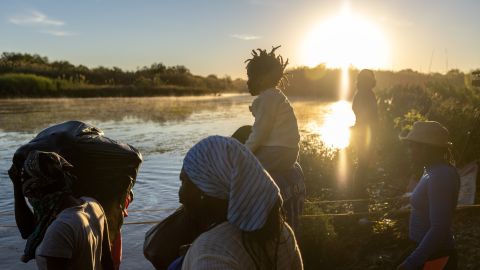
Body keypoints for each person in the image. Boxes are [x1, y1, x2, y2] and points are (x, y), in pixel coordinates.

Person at [178, 136, 303, 270]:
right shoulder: (282, 231)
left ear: (206, 190)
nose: (180, 196)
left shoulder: (209, 254)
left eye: (184, 182)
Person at [8, 150, 113, 270]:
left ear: (38, 191)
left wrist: (18, 188)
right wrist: (17, 187)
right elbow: (108, 262)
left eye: (30, 195)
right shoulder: (92, 205)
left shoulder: (60, 229)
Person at [396, 121, 460, 270]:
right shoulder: (432, 170)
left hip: (436, 256)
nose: (409, 150)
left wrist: (411, 263)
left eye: (412, 145)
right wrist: (410, 197)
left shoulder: (440, 175)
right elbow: (430, 197)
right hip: (427, 250)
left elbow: (439, 228)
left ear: (426, 147)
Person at [244, 46, 300, 172]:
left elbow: (260, 132)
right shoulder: (275, 96)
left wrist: (244, 151)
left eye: (250, 77)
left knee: (246, 169)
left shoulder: (267, 98)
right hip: (290, 152)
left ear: (262, 80)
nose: (247, 82)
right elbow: (270, 122)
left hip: (277, 152)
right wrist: (256, 109)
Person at [351, 69, 378, 202]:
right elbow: (367, 115)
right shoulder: (364, 95)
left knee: (364, 162)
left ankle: (360, 189)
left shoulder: (363, 94)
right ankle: (358, 191)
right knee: (363, 162)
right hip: (364, 132)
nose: (371, 80)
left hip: (364, 131)